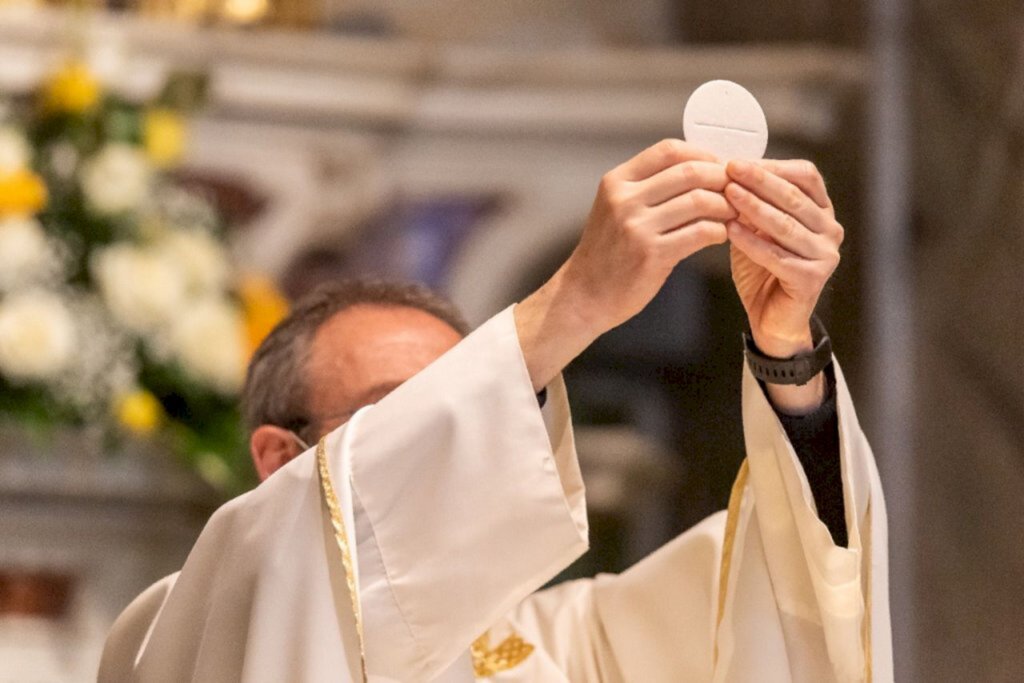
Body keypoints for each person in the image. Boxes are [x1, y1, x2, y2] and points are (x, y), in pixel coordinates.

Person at [98, 140, 891, 682]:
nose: (455, 440)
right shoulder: (193, 620)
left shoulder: (568, 646)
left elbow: (792, 612)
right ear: (278, 458)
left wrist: (786, 347)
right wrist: (571, 305)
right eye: (397, 419)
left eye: (470, 401)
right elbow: (278, 554)